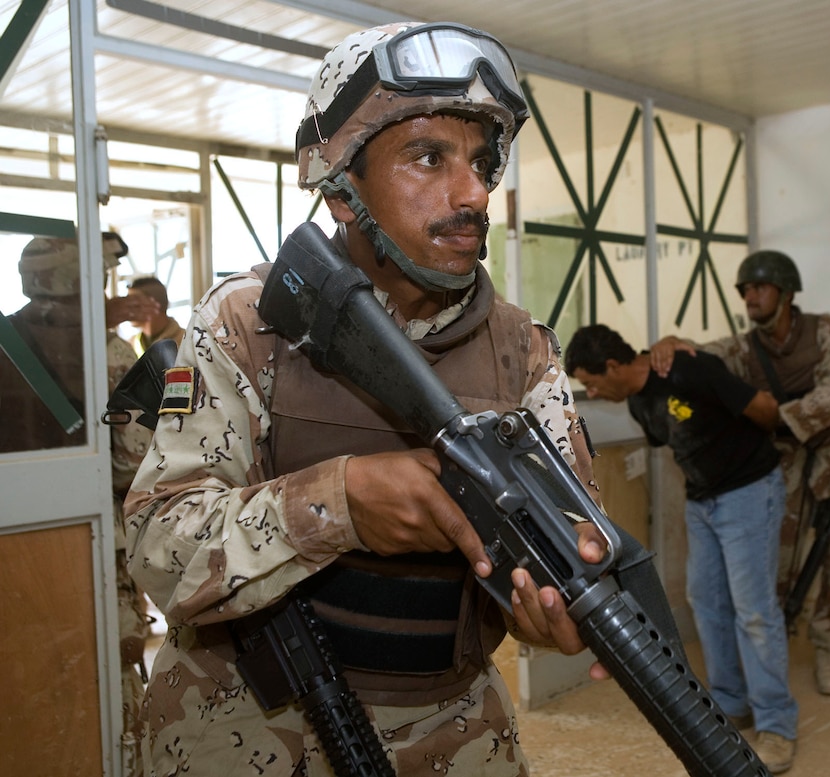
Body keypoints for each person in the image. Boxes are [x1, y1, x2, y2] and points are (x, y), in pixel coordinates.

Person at [123, 22, 609, 777]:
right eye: (428, 157)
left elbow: (568, 553)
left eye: (482, 161)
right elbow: (159, 546)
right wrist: (338, 500)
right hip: (244, 726)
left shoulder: (525, 351)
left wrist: (553, 610)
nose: (473, 191)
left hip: (454, 733)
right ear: (340, 184)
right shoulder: (247, 323)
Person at [564, 323, 799, 774]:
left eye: (592, 381)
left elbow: (765, 410)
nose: (592, 390)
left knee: (753, 609)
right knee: (706, 602)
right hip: (703, 501)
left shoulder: (690, 368)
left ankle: (777, 725)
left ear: (613, 366)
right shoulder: (638, 399)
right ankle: (731, 704)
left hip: (749, 491)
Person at [650, 249, 830, 698]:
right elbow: (701, 355)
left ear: (787, 293)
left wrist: (773, 415)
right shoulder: (743, 347)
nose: (750, 296)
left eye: (759, 287)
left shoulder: (825, 330)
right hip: (783, 470)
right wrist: (672, 341)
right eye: (745, 289)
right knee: (775, 569)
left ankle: (829, 648)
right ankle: (773, 654)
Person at [0, 232, 154, 776]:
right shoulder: (105, 349)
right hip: (92, 549)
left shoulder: (5, 340)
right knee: (114, 686)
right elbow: (131, 465)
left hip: (19, 547)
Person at [126, 276, 184, 355]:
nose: (127, 307)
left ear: (153, 305)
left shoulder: (187, 343)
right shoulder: (129, 345)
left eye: (133, 302)